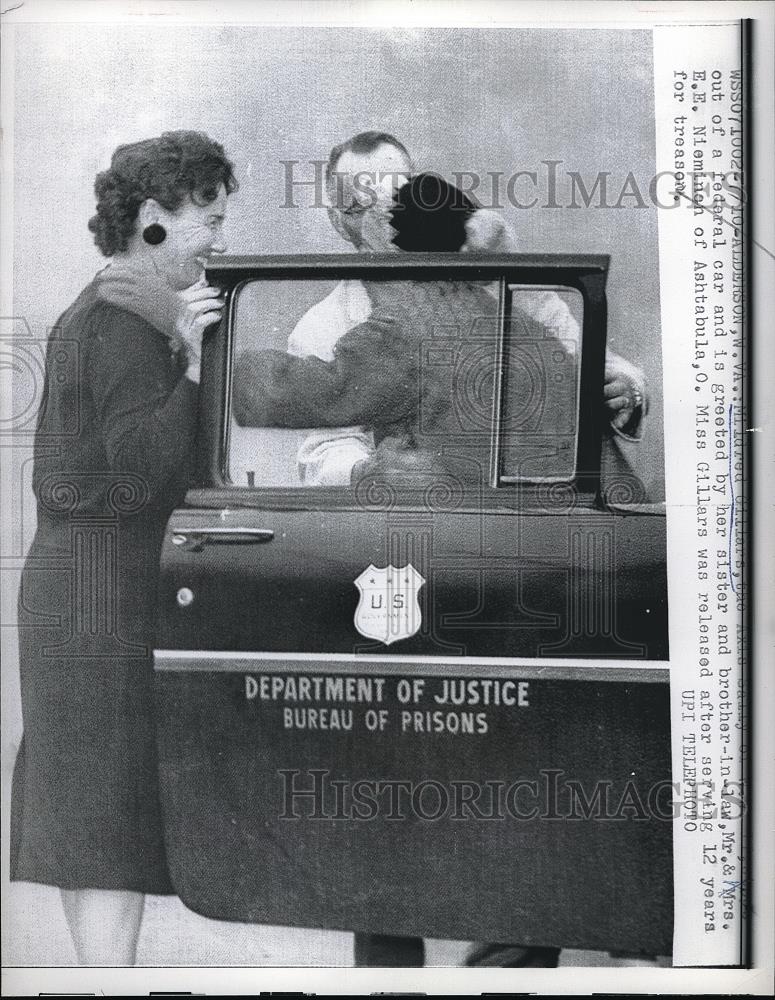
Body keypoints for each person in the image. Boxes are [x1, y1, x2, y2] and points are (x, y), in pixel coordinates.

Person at [10, 131, 236, 965]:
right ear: (151, 220)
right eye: (206, 217)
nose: (219, 237)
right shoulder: (125, 318)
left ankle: (106, 980)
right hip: (97, 592)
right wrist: (195, 358)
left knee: (100, 816)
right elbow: (143, 469)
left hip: (87, 584)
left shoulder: (124, 305)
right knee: (100, 819)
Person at [288, 130, 648, 492]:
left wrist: (625, 387)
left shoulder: (493, 271)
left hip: (549, 498)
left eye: (395, 194)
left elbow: (583, 355)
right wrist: (367, 472)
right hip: (441, 515)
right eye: (361, 205)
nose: (384, 215)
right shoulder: (322, 328)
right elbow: (325, 450)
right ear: (338, 222)